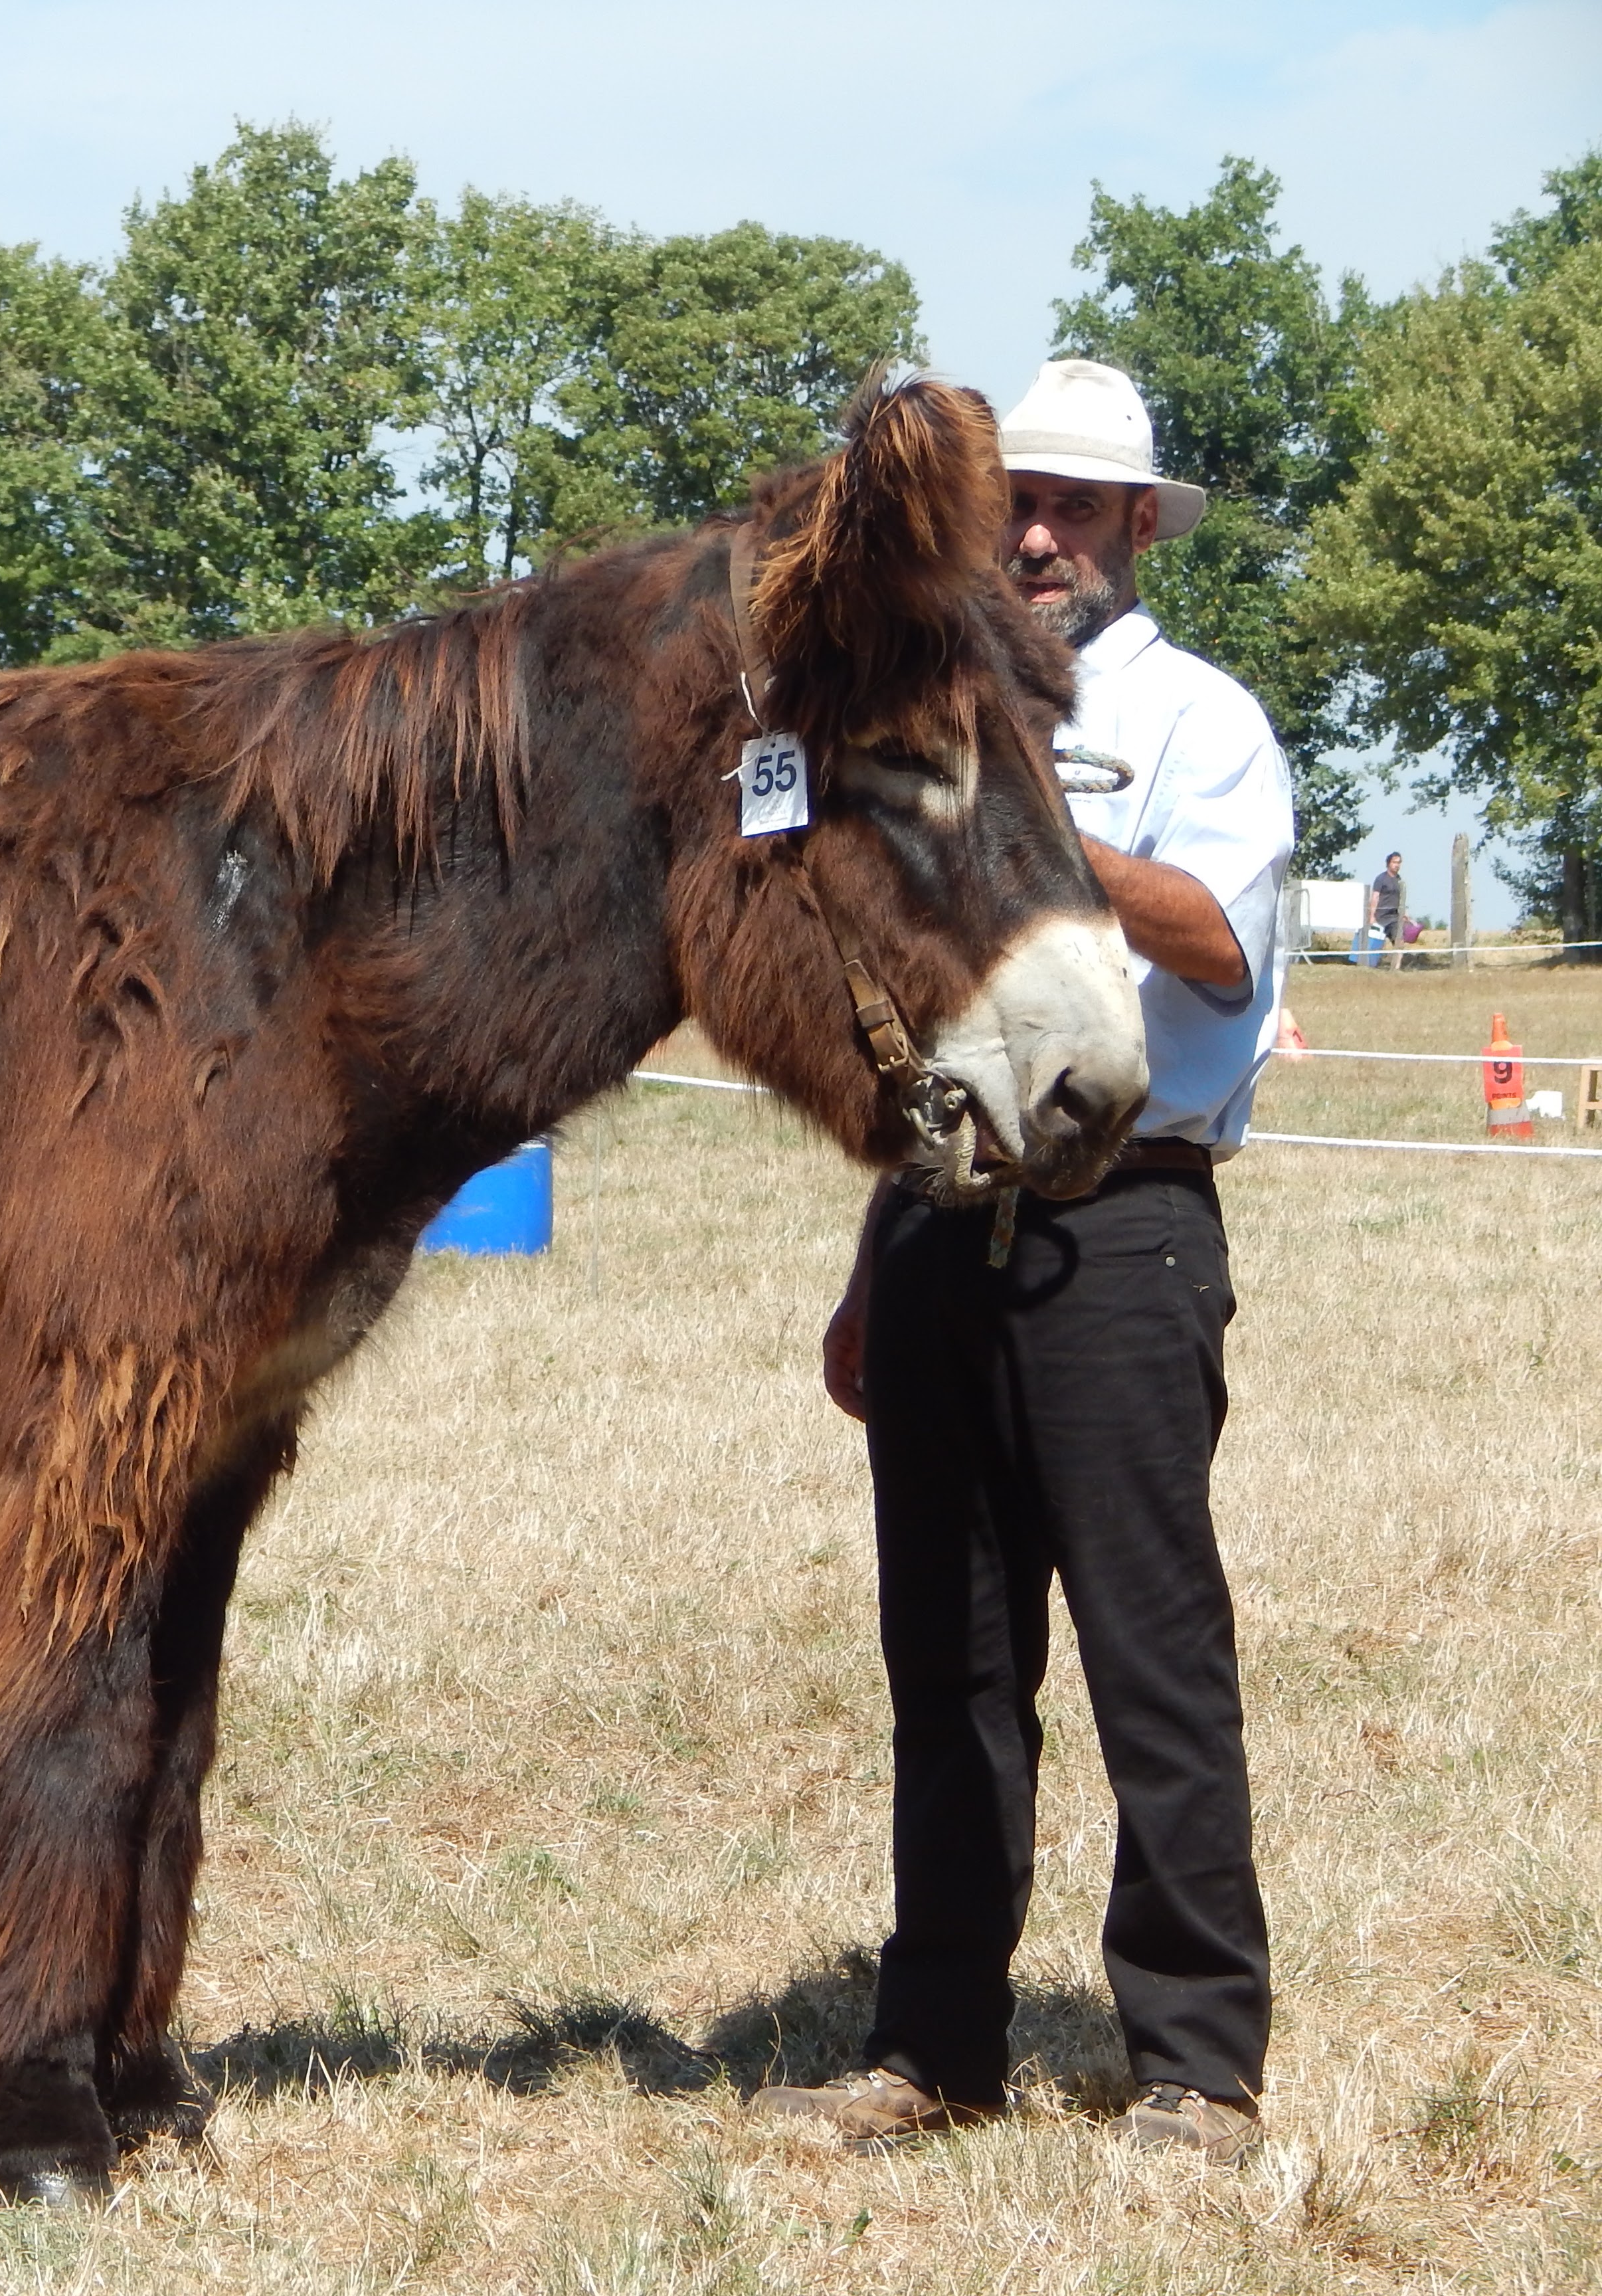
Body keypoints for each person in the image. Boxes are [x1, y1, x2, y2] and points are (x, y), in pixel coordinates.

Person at [754, 359, 1292, 2163]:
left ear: (1144, 526)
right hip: (941, 1219)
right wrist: (870, 1253)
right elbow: (903, 1007)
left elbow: (1221, 945)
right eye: (1016, 508)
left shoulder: (1206, 723)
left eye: (1073, 506)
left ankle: (1198, 2063)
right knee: (951, 1666)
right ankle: (938, 2042)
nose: (1038, 535)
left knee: (1157, 1656)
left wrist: (1040, 828)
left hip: (1126, 1220)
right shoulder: (928, 726)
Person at [1368, 853, 1407, 971]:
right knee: (1376, 944)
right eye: (1394, 862)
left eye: (1399, 862)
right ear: (1389, 863)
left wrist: (1404, 914)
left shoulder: (1399, 881)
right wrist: (1372, 916)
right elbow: (1375, 897)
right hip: (1381, 917)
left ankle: (1396, 969)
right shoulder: (1381, 879)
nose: (1397, 865)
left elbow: (1402, 899)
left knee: (1399, 943)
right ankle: (1371, 966)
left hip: (1394, 917)